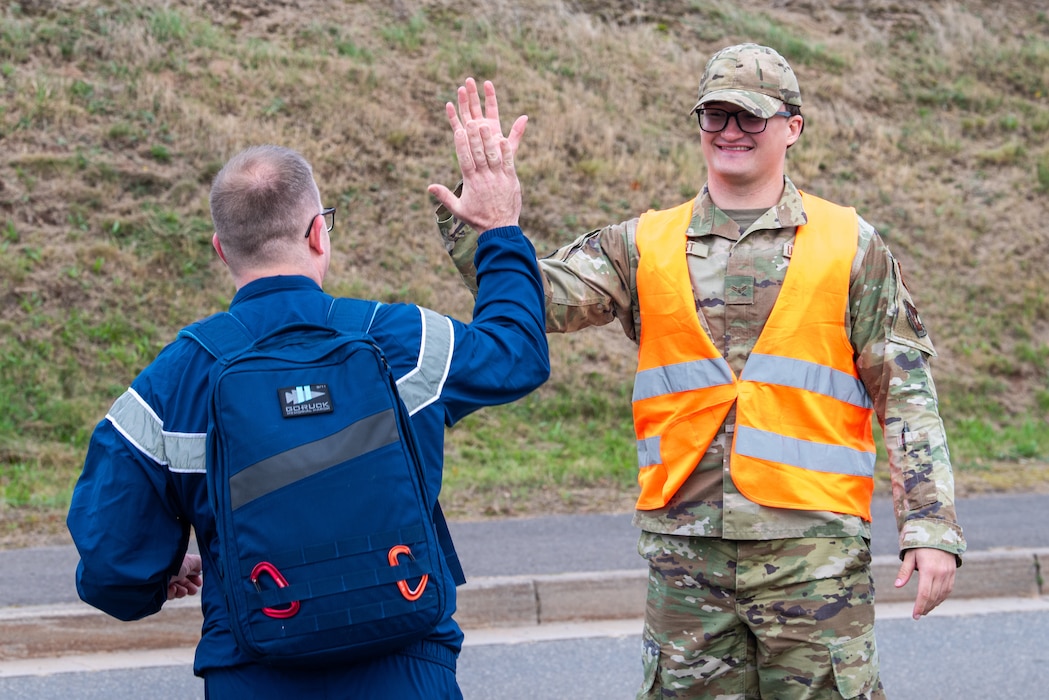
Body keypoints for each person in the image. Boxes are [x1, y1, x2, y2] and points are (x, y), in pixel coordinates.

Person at [437, 48, 965, 699]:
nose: (730, 131)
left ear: (791, 127)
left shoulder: (850, 245)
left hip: (812, 559)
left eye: (749, 116)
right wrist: (488, 229)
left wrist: (929, 527)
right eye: (715, 114)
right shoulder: (642, 244)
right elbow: (534, 299)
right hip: (685, 561)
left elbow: (906, 394)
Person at [66, 82, 549, 699]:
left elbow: (112, 571)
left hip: (253, 676)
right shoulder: (402, 340)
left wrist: (154, 575)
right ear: (319, 233)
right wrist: (500, 227)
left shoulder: (169, 385)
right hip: (407, 675)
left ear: (222, 251)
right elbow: (519, 353)